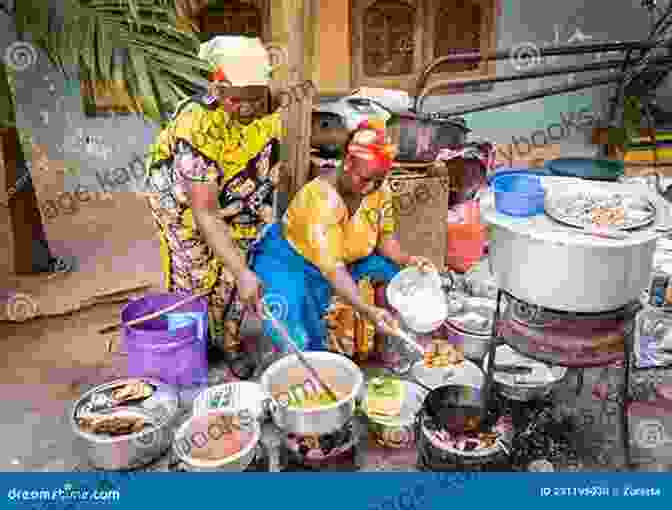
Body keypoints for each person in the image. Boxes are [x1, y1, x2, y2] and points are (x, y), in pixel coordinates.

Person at [144, 36, 283, 363]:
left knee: (235, 277)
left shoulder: (274, 102)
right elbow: (205, 214)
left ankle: (228, 341)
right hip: (184, 206)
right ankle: (192, 352)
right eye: (236, 100)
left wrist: (241, 272)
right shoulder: (198, 125)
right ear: (217, 90)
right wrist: (242, 272)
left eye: (254, 99)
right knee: (195, 277)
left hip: (242, 196)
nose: (246, 108)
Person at [250, 120, 435, 353]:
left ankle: (389, 344)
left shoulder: (379, 190)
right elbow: (334, 269)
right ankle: (313, 361)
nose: (371, 188)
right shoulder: (319, 200)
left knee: (396, 276)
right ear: (347, 163)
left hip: (345, 258)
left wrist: (407, 260)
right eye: (366, 179)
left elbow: (385, 236)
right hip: (292, 261)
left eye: (378, 180)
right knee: (290, 322)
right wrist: (367, 309)